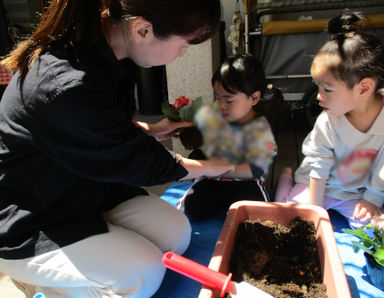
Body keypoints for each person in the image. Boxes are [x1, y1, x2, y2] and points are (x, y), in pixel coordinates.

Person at [0, 0, 234, 297]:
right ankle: (45, 285)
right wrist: (213, 166)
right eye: (184, 45)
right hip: (34, 217)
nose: (182, 54)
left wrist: (149, 129)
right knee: (144, 274)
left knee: (176, 234)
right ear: (143, 29)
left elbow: (92, 133)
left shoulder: (108, 53)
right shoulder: (67, 83)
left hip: (83, 190)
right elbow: (141, 163)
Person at [275, 11, 384, 229]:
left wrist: (372, 200)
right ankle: (285, 178)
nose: (318, 96)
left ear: (363, 88)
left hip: (356, 191)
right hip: (316, 185)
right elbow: (318, 169)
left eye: (327, 89)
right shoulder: (327, 121)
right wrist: (317, 214)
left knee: (375, 230)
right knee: (288, 217)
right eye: (318, 87)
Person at [178, 54, 278, 221]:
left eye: (229, 101)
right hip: (213, 182)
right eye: (218, 98)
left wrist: (229, 167)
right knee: (192, 208)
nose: (221, 105)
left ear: (254, 98)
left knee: (261, 215)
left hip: (245, 183)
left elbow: (259, 169)